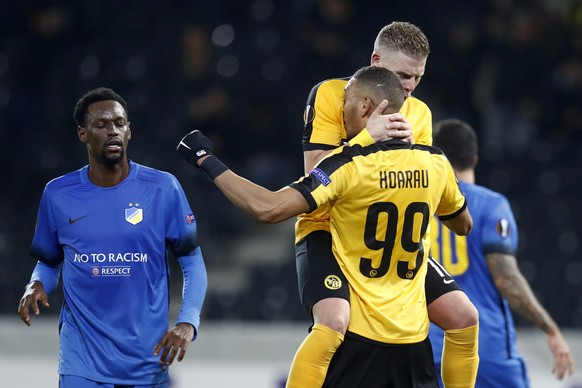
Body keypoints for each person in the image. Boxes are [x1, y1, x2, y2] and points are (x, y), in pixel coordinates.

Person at [178, 66, 473, 387]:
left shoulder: (346, 164)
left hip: (360, 344)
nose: (339, 108)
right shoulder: (436, 163)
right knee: (465, 318)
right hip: (414, 347)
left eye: (345, 100)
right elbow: (462, 223)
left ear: (363, 106)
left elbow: (268, 208)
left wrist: (206, 160)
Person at [291, 21, 479, 387]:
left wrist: (410, 155)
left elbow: (416, 184)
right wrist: (368, 139)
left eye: (417, 78)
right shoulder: (332, 94)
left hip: (386, 243)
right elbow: (315, 173)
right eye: (403, 74)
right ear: (376, 60)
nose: (408, 87)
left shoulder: (419, 114)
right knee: (333, 321)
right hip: (327, 230)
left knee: (464, 316)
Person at [18, 87, 208, 388]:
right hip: (82, 361)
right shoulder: (58, 194)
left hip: (147, 360)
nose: (113, 131)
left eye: (120, 123)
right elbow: (49, 262)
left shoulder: (162, 189)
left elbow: (192, 262)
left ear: (129, 131)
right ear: (82, 133)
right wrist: (36, 284)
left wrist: (187, 322)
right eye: (102, 125)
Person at [429, 118, 575, 387]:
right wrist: (550, 329)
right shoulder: (490, 205)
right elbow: (506, 279)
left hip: (430, 348)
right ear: (474, 158)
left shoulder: (419, 204)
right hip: (485, 348)